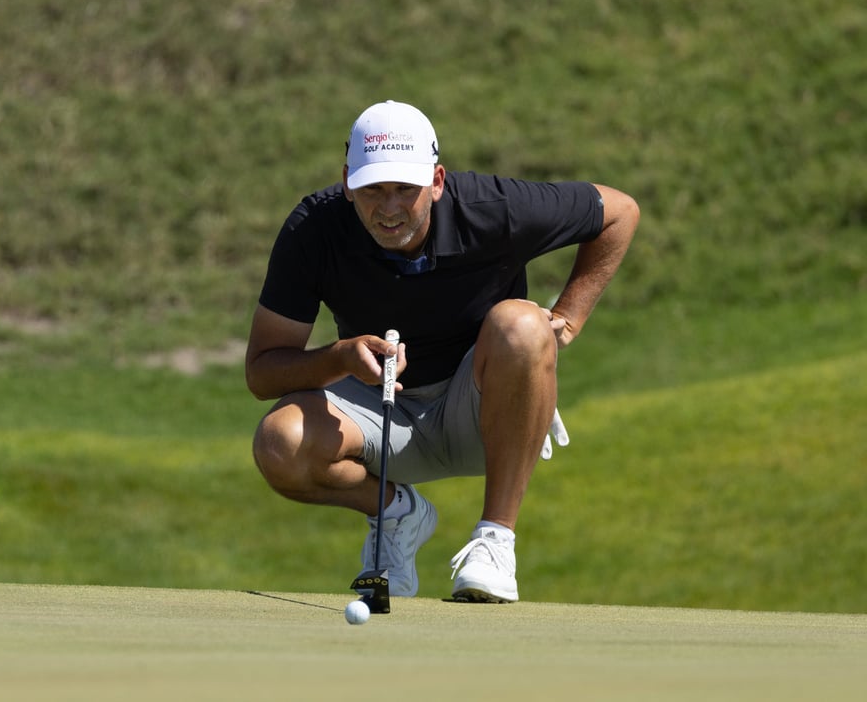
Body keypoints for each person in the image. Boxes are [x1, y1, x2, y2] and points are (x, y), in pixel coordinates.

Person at [245, 100, 639, 603]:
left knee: (521, 325)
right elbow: (263, 373)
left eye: (405, 189)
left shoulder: (493, 208)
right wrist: (340, 357)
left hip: (485, 414)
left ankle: (495, 540)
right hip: (381, 413)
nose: (389, 208)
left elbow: (620, 212)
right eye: (372, 189)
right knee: (279, 443)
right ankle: (397, 514)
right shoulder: (314, 229)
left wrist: (568, 319)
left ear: (436, 181)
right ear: (347, 182)